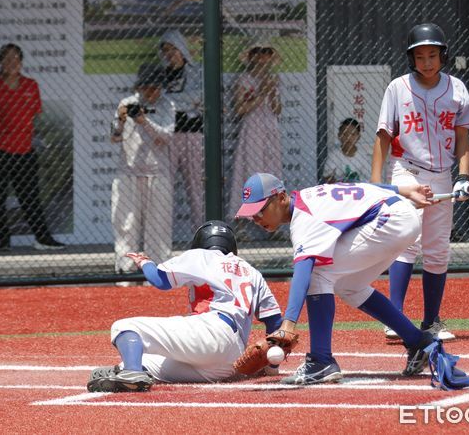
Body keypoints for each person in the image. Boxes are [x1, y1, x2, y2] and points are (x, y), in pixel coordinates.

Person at [235, 172, 439, 385]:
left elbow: (304, 271)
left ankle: (321, 361)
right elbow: (358, 188)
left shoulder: (304, 218)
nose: (256, 219)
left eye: (260, 210)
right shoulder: (309, 197)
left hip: (390, 220)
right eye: (252, 214)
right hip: (397, 216)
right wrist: (402, 191)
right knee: (350, 286)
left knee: (318, 273)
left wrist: (288, 323)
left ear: (281, 198)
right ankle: (417, 341)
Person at [87, 220, 283, 392]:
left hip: (211, 332)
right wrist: (271, 367)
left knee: (124, 326)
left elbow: (159, 280)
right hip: (229, 361)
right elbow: (274, 321)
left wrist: (145, 262)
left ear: (200, 243)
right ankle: (128, 370)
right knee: (144, 362)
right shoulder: (252, 271)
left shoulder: (201, 255)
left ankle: (130, 374)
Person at [371, 23, 469, 341]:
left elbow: (462, 138)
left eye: (432, 54)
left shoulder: (456, 89)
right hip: (407, 172)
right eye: (420, 56)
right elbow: (383, 136)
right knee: (407, 240)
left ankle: (431, 321)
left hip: (443, 174)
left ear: (443, 55)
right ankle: (396, 317)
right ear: (411, 58)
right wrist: (377, 185)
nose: (426, 62)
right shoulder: (398, 88)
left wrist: (464, 176)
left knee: (438, 250)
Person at [110, 63, 176, 277]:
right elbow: (114, 137)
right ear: (140, 86)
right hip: (128, 173)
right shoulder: (127, 103)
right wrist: (120, 121)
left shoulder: (168, 105)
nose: (151, 92)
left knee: (159, 227)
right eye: (147, 87)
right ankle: (125, 269)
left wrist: (143, 121)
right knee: (126, 225)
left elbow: (166, 136)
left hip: (158, 172)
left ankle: (158, 271)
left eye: (155, 87)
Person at [0, 43, 65, 250]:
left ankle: (42, 239)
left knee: (30, 197)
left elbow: (34, 115)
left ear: (22, 62)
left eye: (17, 58)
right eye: (8, 58)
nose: (12, 63)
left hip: (25, 150)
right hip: (1, 150)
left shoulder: (30, 85)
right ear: (1, 62)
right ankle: (2, 241)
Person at [228, 41, 282, 220]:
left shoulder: (274, 79)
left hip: (270, 126)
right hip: (252, 128)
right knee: (249, 171)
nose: (262, 57)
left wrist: (272, 92)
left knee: (271, 171)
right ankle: (243, 222)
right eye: (257, 53)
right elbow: (240, 109)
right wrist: (262, 93)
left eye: (266, 52)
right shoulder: (244, 80)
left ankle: (272, 219)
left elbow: (277, 109)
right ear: (251, 57)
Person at [158, 30, 205, 233]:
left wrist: (171, 101)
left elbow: (200, 97)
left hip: (193, 133)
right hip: (167, 135)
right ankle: (162, 235)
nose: (170, 54)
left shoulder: (197, 71)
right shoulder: (160, 75)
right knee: (164, 187)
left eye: (173, 49)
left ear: (182, 49)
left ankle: (202, 233)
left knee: (195, 187)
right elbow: (157, 102)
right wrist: (188, 102)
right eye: (166, 50)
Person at [322, 118, 372, 183]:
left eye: (353, 134)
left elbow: (370, 177)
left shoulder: (364, 156)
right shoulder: (334, 154)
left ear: (358, 137)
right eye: (345, 134)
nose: (348, 138)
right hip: (339, 188)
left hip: (360, 188)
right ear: (339, 135)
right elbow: (327, 176)